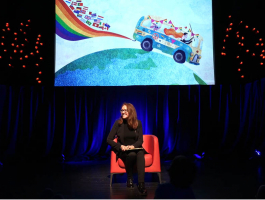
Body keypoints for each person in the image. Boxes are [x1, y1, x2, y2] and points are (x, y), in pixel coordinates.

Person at [107, 102, 147, 195]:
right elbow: (108, 139)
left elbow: (140, 141)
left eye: (125, 110)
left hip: (135, 148)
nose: (123, 112)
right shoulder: (118, 123)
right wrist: (120, 146)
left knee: (140, 153)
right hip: (123, 150)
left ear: (131, 111)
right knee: (131, 155)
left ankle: (141, 184)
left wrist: (133, 146)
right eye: (122, 110)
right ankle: (130, 178)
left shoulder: (138, 123)